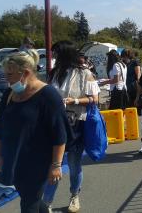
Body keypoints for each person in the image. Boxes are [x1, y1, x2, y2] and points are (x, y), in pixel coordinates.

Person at [0, 49, 70, 213]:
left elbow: (60, 134)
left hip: (38, 163)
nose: (7, 79)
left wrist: (56, 165)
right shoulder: (9, 94)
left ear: (26, 73)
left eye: (10, 75)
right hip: (14, 160)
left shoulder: (48, 96)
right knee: (31, 199)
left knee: (29, 204)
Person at [43, 40, 99, 212]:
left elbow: (94, 99)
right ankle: (47, 202)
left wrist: (73, 100)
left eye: (58, 54)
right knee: (54, 164)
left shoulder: (84, 74)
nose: (55, 57)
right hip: (54, 124)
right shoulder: (54, 73)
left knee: (74, 165)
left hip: (75, 124)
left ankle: (74, 195)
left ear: (66, 54)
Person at [124, 49, 142, 114]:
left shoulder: (135, 62)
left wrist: (138, 95)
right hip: (128, 89)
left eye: (124, 56)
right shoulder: (127, 63)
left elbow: (138, 78)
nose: (124, 58)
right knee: (129, 111)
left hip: (134, 89)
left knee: (135, 112)